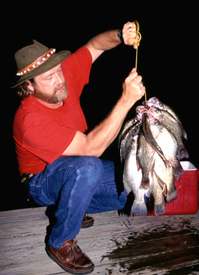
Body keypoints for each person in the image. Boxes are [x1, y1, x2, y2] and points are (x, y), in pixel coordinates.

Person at [12, 21, 145, 274]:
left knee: (133, 188)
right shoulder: (28, 120)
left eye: (59, 71)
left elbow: (94, 46)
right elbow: (89, 149)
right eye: (48, 77)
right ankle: (59, 241)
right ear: (28, 86)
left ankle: (74, 206)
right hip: (40, 181)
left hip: (75, 165)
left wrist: (120, 35)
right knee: (87, 167)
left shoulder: (60, 76)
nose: (59, 80)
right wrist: (126, 100)